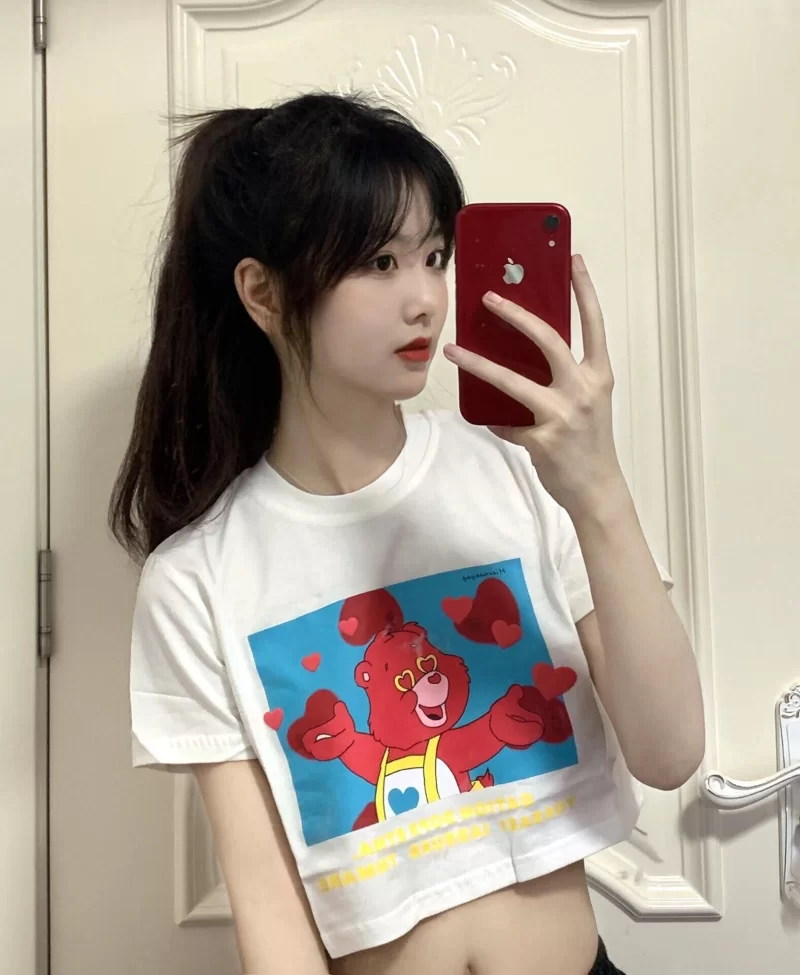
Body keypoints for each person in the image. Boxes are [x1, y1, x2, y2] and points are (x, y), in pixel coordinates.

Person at [112, 92, 705, 975]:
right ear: (264, 292)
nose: (426, 298)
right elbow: (270, 911)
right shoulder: (197, 580)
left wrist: (599, 486)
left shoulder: (515, 473)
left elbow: (670, 750)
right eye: (380, 262)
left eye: (434, 255)